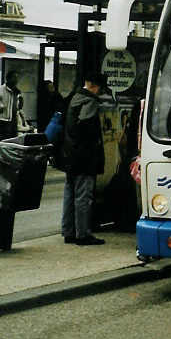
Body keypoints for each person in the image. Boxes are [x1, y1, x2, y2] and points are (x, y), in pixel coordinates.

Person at [61, 72, 107, 245]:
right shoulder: (90, 102)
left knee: (69, 193)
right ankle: (83, 234)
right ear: (95, 86)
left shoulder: (74, 98)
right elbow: (86, 128)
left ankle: (68, 231)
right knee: (83, 195)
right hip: (84, 157)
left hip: (70, 155)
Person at [0, 71, 22, 140]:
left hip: (13, 119)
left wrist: (19, 104)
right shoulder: (1, 89)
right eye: (14, 77)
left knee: (14, 139)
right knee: (5, 140)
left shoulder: (16, 91)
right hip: (4, 119)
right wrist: (0, 105)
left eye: (17, 78)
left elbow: (17, 104)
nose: (16, 80)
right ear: (8, 79)